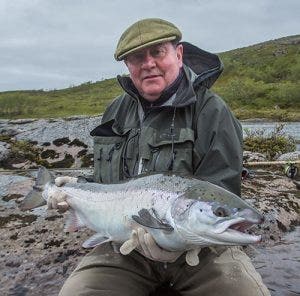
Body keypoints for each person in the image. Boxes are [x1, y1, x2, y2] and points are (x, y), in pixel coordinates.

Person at [51, 18, 270, 296]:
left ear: (178, 55)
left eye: (158, 52)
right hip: (125, 247)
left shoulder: (213, 112)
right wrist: (77, 187)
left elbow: (221, 191)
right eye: (137, 57)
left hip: (201, 251)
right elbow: (110, 186)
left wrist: (176, 239)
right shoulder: (115, 112)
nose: (148, 63)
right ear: (128, 66)